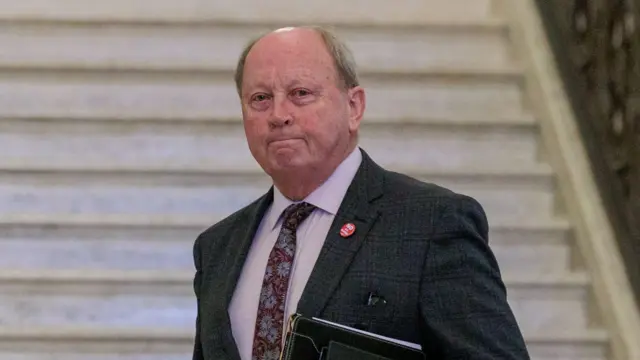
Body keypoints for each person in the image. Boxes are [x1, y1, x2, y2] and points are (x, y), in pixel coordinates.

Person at [191, 26, 530, 360]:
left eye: (301, 93)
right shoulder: (217, 246)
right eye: (260, 99)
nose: (279, 115)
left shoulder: (431, 224)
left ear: (354, 107)